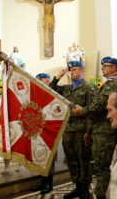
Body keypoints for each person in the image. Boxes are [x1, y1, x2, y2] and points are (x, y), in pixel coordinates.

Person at [72, 57, 117, 199]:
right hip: (104, 130)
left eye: (106, 66)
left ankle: (102, 195)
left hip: (105, 131)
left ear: (114, 68)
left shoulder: (112, 84)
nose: (102, 68)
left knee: (102, 168)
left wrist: (82, 111)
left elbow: (100, 104)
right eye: (102, 66)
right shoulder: (111, 83)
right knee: (103, 167)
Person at [50, 61, 93, 199]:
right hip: (68, 130)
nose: (72, 72)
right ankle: (77, 187)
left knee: (83, 160)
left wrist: (89, 132)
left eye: (74, 69)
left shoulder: (88, 87)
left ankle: (85, 188)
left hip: (81, 130)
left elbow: (91, 111)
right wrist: (58, 77)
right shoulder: (67, 88)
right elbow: (51, 89)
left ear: (81, 70)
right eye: (70, 70)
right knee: (71, 160)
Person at [30, 72, 54, 195]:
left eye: (42, 80)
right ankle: (41, 180)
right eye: (38, 80)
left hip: (50, 129)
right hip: (38, 128)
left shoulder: (53, 92)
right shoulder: (36, 93)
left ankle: (49, 182)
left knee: (49, 156)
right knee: (39, 155)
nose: (39, 82)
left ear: (48, 81)